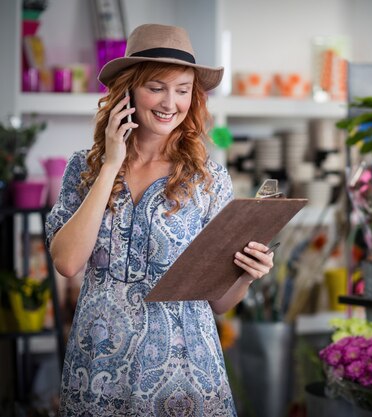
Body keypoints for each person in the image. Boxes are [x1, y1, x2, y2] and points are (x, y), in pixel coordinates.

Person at [45, 23, 274, 416]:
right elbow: (67, 263)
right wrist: (111, 164)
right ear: (128, 91)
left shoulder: (208, 179)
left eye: (183, 90)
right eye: (156, 87)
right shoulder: (83, 168)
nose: (171, 102)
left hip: (184, 371)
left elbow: (219, 302)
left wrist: (247, 274)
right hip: (99, 366)